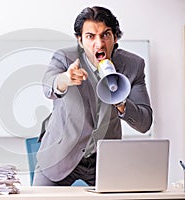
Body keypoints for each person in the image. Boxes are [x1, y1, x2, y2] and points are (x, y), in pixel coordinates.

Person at [33, 6, 153, 186]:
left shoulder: (133, 65)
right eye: (90, 36)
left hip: (104, 161)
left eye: (105, 34)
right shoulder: (65, 58)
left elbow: (144, 123)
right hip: (60, 155)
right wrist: (65, 79)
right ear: (80, 40)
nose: (99, 43)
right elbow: (48, 86)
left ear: (115, 37)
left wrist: (121, 102)